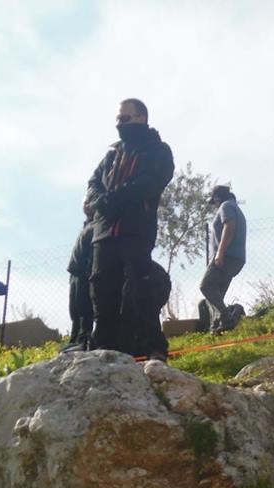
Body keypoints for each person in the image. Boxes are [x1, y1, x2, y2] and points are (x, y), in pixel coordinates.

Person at [86, 97, 174, 359]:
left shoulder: (158, 150)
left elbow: (152, 182)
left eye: (125, 119)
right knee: (102, 288)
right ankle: (103, 347)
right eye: (117, 119)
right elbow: (93, 183)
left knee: (140, 286)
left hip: (136, 228)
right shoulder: (112, 154)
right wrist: (98, 200)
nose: (120, 124)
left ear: (141, 118)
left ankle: (153, 348)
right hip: (104, 231)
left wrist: (112, 199)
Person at [200, 184, 247, 334]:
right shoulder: (235, 208)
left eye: (214, 202)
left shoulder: (226, 206)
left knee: (206, 286)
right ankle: (217, 326)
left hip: (227, 256)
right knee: (218, 294)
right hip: (237, 258)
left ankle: (228, 319)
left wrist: (220, 252)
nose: (214, 206)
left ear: (217, 198)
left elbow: (229, 227)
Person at [61, 197, 95, 352]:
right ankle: (74, 339)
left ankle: (83, 341)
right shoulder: (87, 225)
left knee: (84, 309)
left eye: (90, 202)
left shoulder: (98, 224)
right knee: (74, 310)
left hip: (85, 274)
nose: (87, 205)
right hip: (74, 273)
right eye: (85, 202)